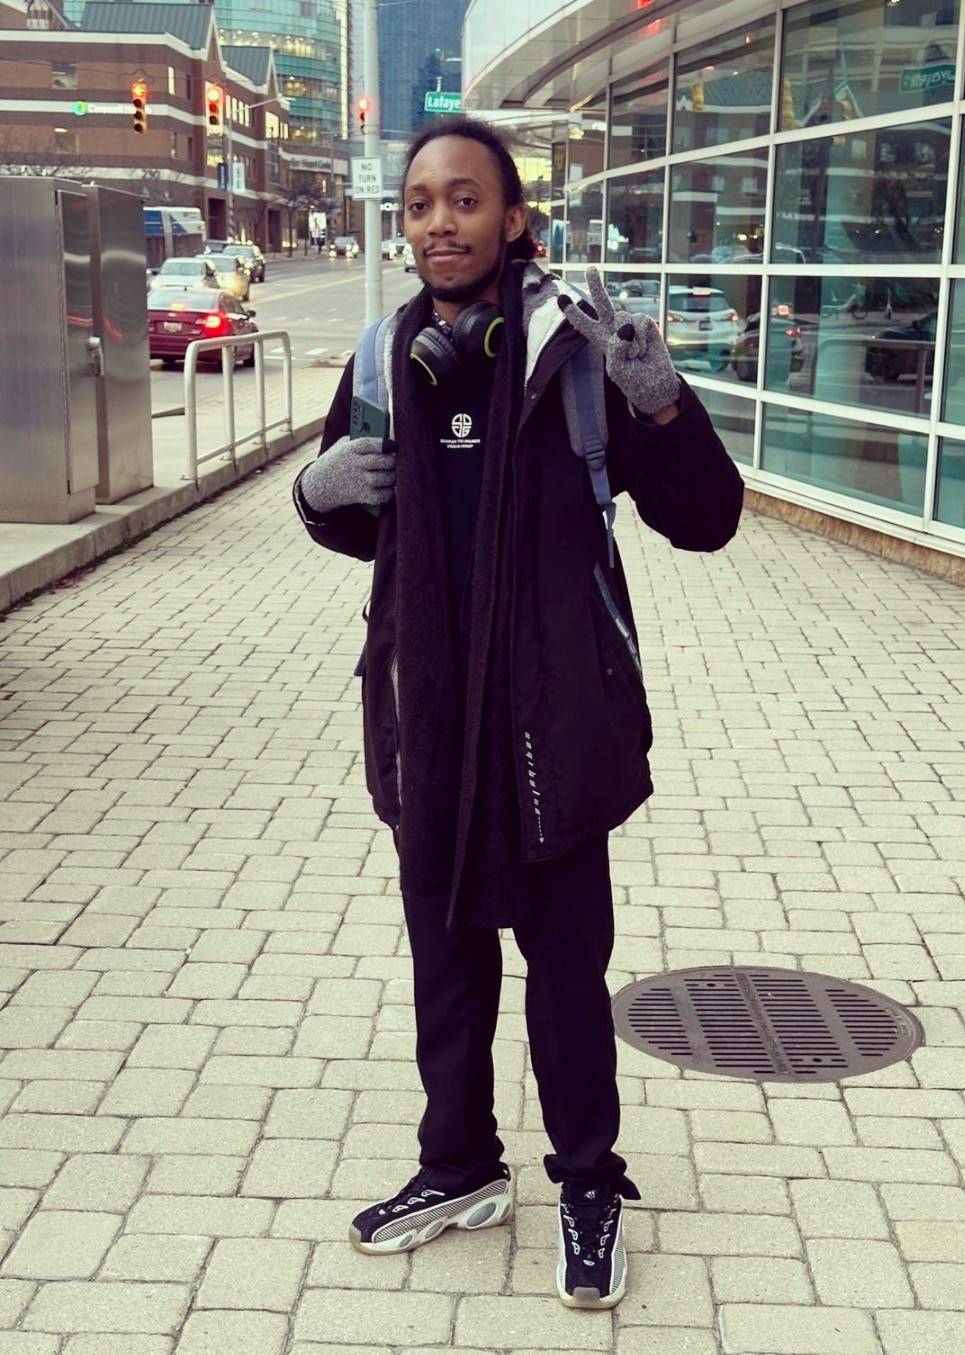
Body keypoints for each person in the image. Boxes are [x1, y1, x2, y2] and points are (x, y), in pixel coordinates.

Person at [292, 115, 744, 1310]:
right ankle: (459, 1166)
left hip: (555, 728)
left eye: (464, 201)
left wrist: (659, 398)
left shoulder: (578, 356)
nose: (439, 222)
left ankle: (588, 1181)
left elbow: (703, 520)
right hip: (427, 718)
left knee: (563, 971)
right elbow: (354, 519)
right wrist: (315, 488)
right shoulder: (386, 358)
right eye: (420, 204)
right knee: (445, 962)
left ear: (514, 220)